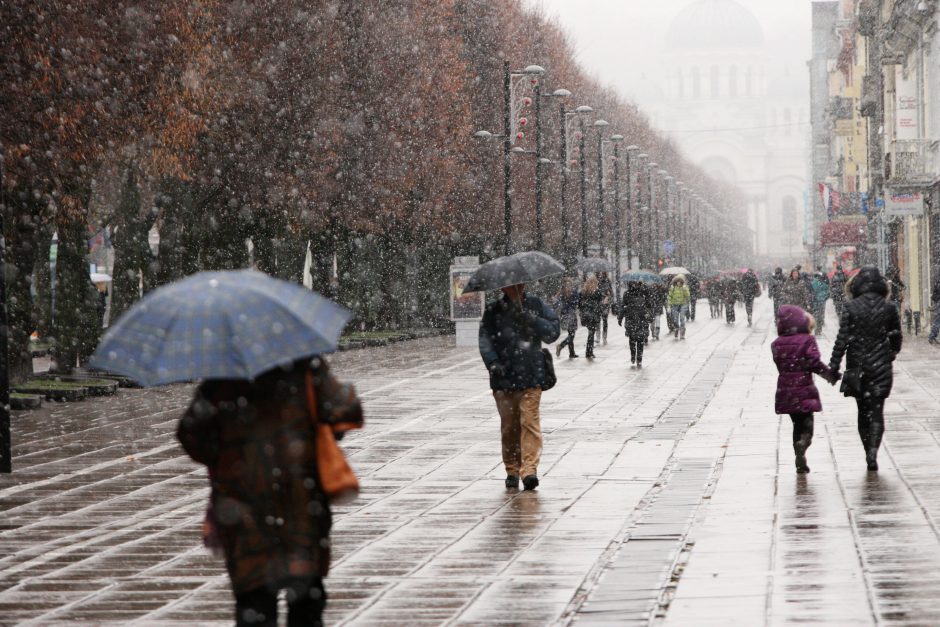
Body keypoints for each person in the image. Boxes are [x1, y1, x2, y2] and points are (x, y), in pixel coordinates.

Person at [177, 357, 363, 627]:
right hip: (301, 505)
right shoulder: (305, 366)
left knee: (254, 601)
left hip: (242, 510)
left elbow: (191, 435)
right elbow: (346, 411)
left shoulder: (222, 378)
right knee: (305, 602)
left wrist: (231, 454)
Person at [479, 282, 560, 490]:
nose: (516, 288)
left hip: (531, 376)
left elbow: (552, 332)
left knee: (530, 422)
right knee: (509, 427)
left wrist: (533, 321)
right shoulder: (493, 311)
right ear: (503, 288)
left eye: (519, 285)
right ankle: (512, 469)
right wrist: (493, 362)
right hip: (504, 379)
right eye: (510, 285)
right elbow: (485, 340)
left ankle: (529, 470)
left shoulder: (535, 305)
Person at [829, 266, 902, 472]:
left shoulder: (851, 307)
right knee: (877, 410)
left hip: (857, 366)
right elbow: (896, 336)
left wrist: (834, 367)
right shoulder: (889, 307)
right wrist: (891, 353)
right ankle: (873, 452)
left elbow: (842, 339)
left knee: (862, 411)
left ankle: (867, 450)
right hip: (881, 365)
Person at [771, 305, 840, 474]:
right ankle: (804, 443)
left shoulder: (776, 344)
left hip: (785, 389)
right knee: (807, 424)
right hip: (804, 387)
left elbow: (780, 364)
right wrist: (829, 375)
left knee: (796, 423)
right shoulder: (807, 340)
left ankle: (798, 453)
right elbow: (814, 363)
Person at [618, 280, 651, 368]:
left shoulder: (642, 293)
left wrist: (620, 318)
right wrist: (620, 317)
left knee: (636, 340)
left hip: (636, 319)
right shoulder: (637, 293)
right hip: (635, 319)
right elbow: (623, 306)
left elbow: (649, 305)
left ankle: (636, 357)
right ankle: (636, 357)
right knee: (636, 340)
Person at [578, 275, 604, 359]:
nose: (594, 285)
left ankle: (589, 351)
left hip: (588, 315)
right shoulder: (594, 292)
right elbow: (599, 304)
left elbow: (580, 304)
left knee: (591, 333)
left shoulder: (584, 291)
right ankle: (589, 352)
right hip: (591, 315)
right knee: (591, 333)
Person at [554, 278, 580, 358]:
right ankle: (561, 346)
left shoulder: (561, 293)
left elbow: (559, 304)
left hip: (564, 315)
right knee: (572, 335)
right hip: (571, 315)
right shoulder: (573, 291)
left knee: (570, 334)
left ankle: (571, 353)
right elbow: (577, 301)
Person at [667, 275, 691, 340]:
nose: (679, 283)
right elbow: (669, 297)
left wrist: (684, 289)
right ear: (675, 282)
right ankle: (676, 330)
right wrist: (669, 305)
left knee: (682, 319)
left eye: (680, 282)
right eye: (677, 282)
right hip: (674, 305)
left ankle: (682, 333)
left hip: (683, 305)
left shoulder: (685, 287)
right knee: (675, 319)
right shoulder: (673, 288)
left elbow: (688, 295)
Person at [597, 271, 614, 345]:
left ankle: (604, 337)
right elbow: (596, 293)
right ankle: (598, 337)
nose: (602, 275)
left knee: (604, 321)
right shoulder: (597, 282)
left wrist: (608, 298)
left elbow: (611, 294)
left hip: (605, 304)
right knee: (598, 320)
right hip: (599, 304)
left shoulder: (607, 282)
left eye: (603, 273)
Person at [929, 275, 940, 345]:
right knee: (937, 321)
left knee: (937, 320)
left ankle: (932, 337)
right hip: (938, 302)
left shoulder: (937, 281)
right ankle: (932, 337)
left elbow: (934, 293)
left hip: (937, 302)